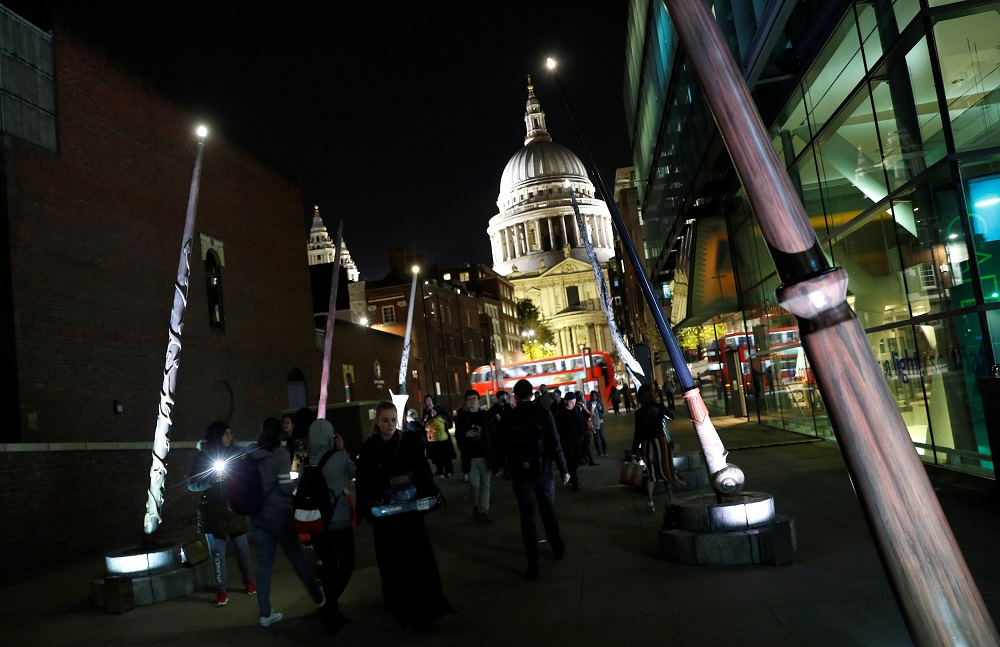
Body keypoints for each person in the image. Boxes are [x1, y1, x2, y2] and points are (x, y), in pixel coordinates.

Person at [356, 400, 453, 629]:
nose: (390, 425)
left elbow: (422, 471)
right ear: (377, 422)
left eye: (393, 420)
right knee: (395, 563)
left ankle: (421, 607)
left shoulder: (406, 441)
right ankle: (404, 606)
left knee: (416, 560)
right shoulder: (370, 448)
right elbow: (364, 481)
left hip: (407, 513)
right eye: (385, 421)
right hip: (388, 516)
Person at [249, 417, 327, 628]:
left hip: (257, 517)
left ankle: (265, 613)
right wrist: (296, 480)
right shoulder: (280, 454)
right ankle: (320, 600)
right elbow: (285, 488)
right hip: (279, 516)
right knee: (297, 559)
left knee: (263, 565)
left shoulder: (252, 454)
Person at [493, 379, 570, 580]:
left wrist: (498, 466)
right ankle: (557, 547)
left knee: (527, 518)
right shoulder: (544, 414)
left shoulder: (509, 417)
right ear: (533, 394)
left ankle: (533, 565)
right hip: (542, 472)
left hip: (520, 475)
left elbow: (499, 444)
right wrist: (564, 470)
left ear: (515, 397)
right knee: (548, 511)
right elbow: (555, 444)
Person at [186, 421, 256, 607]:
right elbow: (192, 484)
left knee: (242, 549)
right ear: (217, 436)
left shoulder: (236, 455)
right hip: (213, 513)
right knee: (217, 553)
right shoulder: (203, 456)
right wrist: (210, 480)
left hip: (235, 510)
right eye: (226, 434)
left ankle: (248, 580)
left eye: (231, 434)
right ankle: (221, 590)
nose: (230, 437)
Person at [307, 418, 355, 632]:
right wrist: (342, 450)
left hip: (318, 522)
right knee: (346, 562)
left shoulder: (308, 462)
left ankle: (332, 610)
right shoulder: (339, 458)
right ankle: (330, 606)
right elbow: (353, 473)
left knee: (328, 567)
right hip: (339, 520)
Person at [631, 385, 686, 513]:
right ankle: (671, 498)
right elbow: (671, 417)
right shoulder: (660, 408)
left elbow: (637, 434)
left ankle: (650, 501)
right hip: (661, 442)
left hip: (647, 444)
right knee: (667, 469)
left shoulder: (639, 413)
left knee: (651, 473)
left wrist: (634, 451)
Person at [455, 389, 495, 522]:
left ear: (478, 400)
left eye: (474, 398)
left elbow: (492, 433)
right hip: (470, 456)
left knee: (486, 484)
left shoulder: (485, 415)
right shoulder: (462, 416)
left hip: (485, 455)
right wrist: (465, 435)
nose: (471, 401)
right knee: (474, 484)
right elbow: (458, 435)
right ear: (466, 401)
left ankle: (484, 511)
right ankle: (476, 505)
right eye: (469, 399)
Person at [552, 391, 583, 491]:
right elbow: (557, 427)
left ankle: (571, 475)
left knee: (577, 458)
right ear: (565, 401)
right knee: (571, 459)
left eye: (574, 402)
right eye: (571, 402)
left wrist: (581, 435)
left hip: (577, 439)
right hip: (566, 440)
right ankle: (574, 480)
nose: (573, 404)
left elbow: (580, 423)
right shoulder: (560, 412)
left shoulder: (576, 410)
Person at [425, 412, 456, 477]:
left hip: (436, 441)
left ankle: (441, 472)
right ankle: (448, 471)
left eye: (434, 411)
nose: (432, 413)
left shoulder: (435, 420)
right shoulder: (441, 419)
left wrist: (426, 421)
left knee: (438, 458)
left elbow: (427, 428)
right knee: (445, 457)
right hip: (443, 439)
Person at [579, 393, 599, 466]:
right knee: (587, 445)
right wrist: (593, 407)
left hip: (586, 427)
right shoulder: (581, 407)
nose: (585, 398)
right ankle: (590, 461)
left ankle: (582, 459)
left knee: (585, 445)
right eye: (583, 397)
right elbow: (589, 414)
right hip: (586, 428)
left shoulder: (580, 406)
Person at [587, 391, 608, 457]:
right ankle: (599, 452)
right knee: (596, 438)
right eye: (593, 396)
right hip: (593, 422)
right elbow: (589, 413)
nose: (594, 397)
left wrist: (599, 407)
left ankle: (605, 451)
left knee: (602, 437)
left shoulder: (599, 402)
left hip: (600, 421)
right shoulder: (589, 403)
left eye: (595, 396)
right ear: (591, 396)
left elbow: (602, 411)